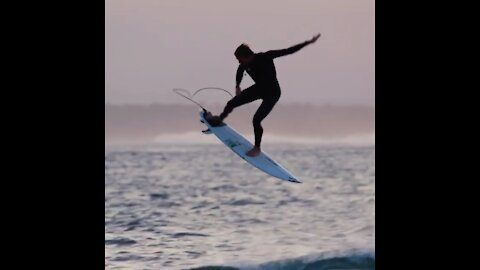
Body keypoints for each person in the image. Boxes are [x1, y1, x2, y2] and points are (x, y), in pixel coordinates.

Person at [206, 33, 321, 157]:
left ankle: (257, 148)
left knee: (256, 120)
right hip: (259, 89)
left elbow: (289, 51)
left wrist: (308, 42)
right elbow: (239, 71)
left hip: (273, 93)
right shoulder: (244, 65)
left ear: (247, 56)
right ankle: (220, 119)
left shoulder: (266, 56)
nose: (239, 62)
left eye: (239, 59)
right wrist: (237, 86)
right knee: (231, 103)